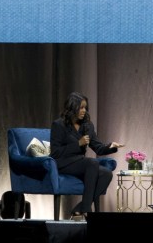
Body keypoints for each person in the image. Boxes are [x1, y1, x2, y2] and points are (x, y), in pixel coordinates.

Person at [50, 91, 124, 219]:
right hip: (64, 163)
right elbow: (55, 153)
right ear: (72, 108)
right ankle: (87, 211)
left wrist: (110, 147)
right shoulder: (59, 125)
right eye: (81, 107)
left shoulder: (87, 125)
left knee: (107, 173)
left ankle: (80, 208)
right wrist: (78, 144)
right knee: (92, 163)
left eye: (85, 107)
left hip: (81, 164)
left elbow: (98, 148)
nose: (84, 110)